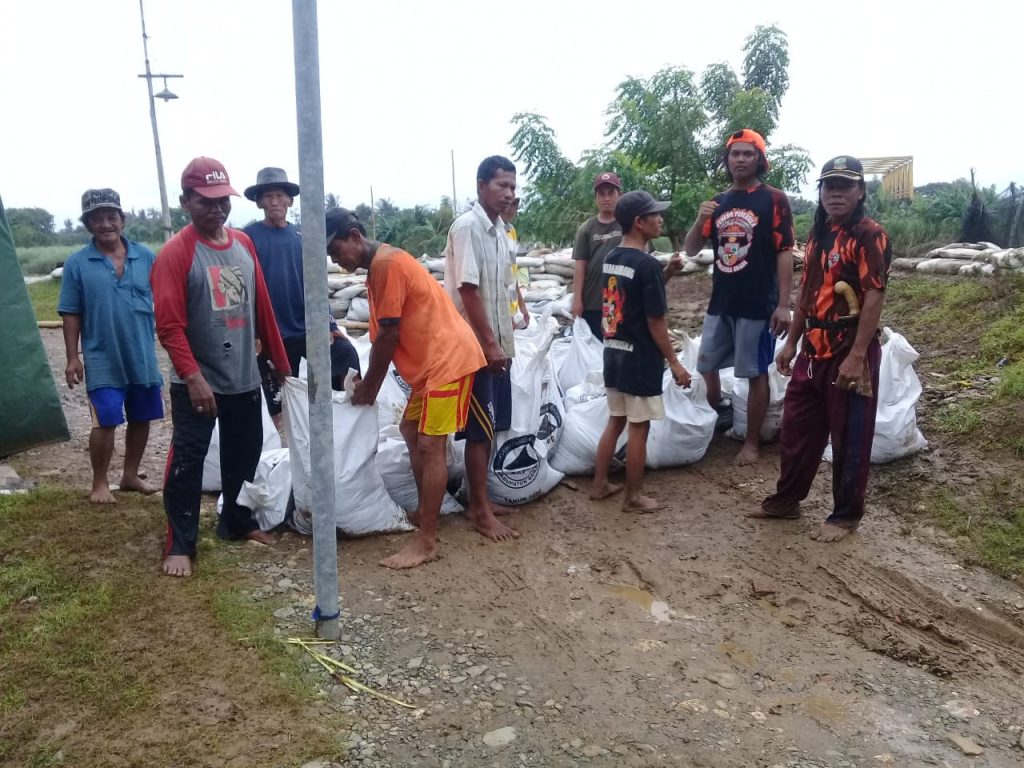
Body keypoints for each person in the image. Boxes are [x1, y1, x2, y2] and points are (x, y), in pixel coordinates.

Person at [151, 157, 290, 577]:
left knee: (243, 455)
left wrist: (278, 363)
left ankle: (235, 522)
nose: (217, 209)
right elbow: (170, 327)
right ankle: (180, 543)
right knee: (188, 462)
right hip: (199, 381)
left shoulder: (242, 245)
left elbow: (260, 304)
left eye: (222, 200)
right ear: (186, 202)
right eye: (206, 201)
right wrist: (193, 378)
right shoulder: (177, 254)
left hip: (244, 376)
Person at [325, 207, 486, 568]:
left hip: (448, 362)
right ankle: (428, 512)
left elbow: (388, 336)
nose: (335, 258)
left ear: (353, 235)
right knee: (410, 429)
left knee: (431, 446)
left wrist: (369, 386)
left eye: (336, 249)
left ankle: (426, 540)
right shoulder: (380, 265)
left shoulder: (387, 265)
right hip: (432, 366)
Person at [754, 156, 891, 542]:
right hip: (813, 347)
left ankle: (845, 515)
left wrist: (858, 355)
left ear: (860, 191)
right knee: (797, 428)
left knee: (849, 436)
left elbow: (874, 295)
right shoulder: (819, 235)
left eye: (845, 186)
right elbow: (808, 293)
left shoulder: (869, 235)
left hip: (849, 349)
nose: (835, 193)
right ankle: (786, 501)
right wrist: (791, 342)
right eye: (829, 186)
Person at [683, 129, 795, 465]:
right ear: (727, 160)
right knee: (707, 365)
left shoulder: (774, 199)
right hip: (722, 301)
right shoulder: (718, 203)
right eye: (735, 154)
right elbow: (690, 249)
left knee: (754, 372)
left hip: (757, 304)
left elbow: (785, 252)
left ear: (759, 160)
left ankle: (751, 442)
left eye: (748, 154)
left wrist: (783, 304)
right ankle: (716, 421)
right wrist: (700, 218)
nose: (740, 159)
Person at [58, 188, 163, 504]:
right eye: (97, 218)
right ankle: (99, 483)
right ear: (88, 224)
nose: (106, 224)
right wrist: (72, 357)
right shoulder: (77, 263)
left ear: (122, 219)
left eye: (111, 216)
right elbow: (70, 312)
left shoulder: (145, 256)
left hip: (142, 354)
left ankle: (130, 476)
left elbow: (166, 298)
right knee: (105, 419)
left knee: (142, 416)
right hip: (102, 356)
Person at [591, 191, 691, 512]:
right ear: (639, 222)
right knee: (639, 428)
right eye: (654, 214)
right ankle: (632, 498)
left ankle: (599, 484)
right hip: (640, 358)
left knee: (615, 420)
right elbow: (655, 319)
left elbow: (633, 299)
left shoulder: (613, 258)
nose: (660, 219)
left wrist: (669, 272)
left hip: (614, 353)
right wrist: (674, 362)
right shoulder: (646, 264)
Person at [242, 167, 359, 427]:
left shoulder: (303, 238)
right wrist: (253, 334)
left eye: (279, 196)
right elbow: (244, 288)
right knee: (272, 399)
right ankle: (277, 451)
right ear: (259, 201)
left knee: (345, 354)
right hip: (270, 335)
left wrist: (329, 325)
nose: (274, 201)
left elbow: (316, 283)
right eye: (268, 196)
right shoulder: (248, 238)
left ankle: (345, 423)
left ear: (289, 201)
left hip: (305, 331)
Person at [444, 155, 522, 542]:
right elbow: (468, 290)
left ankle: (481, 499)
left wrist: (505, 344)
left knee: (490, 425)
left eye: (512, 185)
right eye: (501, 185)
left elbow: (501, 291)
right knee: (479, 427)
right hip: (474, 348)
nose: (509, 192)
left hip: (496, 346)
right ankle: (478, 509)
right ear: (480, 186)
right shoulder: (468, 227)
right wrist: (489, 346)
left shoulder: (498, 230)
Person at [572, 172, 623, 339]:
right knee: (595, 350)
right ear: (595, 198)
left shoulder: (628, 225)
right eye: (601, 194)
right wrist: (577, 300)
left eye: (611, 193)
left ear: (619, 195)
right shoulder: (586, 229)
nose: (606, 198)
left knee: (618, 346)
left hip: (621, 300)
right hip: (593, 302)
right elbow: (580, 267)